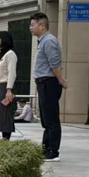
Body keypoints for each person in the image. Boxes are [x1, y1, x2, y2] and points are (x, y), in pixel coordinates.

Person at [31, 11, 67, 161]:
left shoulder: (49, 41)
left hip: (49, 83)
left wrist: (61, 80)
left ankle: (53, 151)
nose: (30, 28)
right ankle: (45, 149)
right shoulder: (43, 41)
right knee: (46, 120)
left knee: (51, 119)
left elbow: (54, 63)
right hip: (43, 83)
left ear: (42, 26)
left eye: (32, 25)